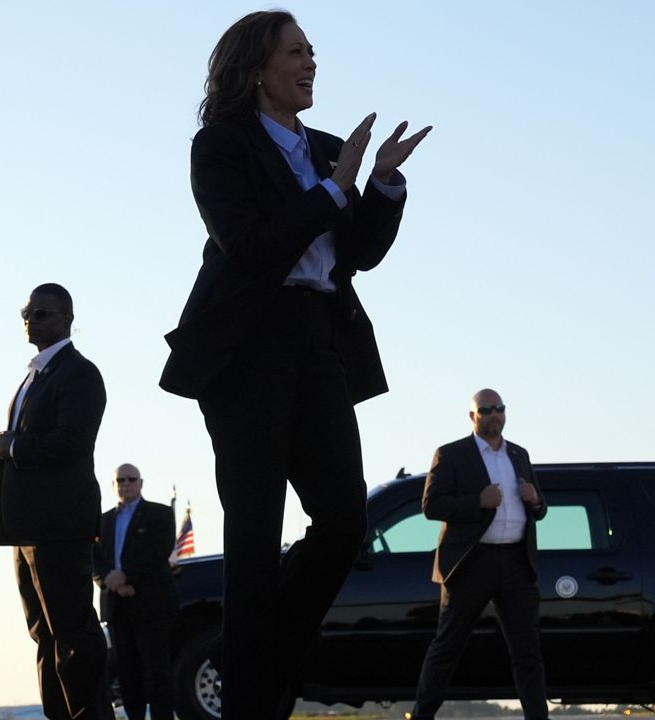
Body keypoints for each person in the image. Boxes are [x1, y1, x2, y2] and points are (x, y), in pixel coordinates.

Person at [157, 9, 431, 719]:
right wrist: (332, 189)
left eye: (314, 52)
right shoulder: (219, 146)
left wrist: (383, 186)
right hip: (247, 348)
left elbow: (358, 252)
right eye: (295, 53)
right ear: (257, 69)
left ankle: (259, 668)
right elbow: (249, 247)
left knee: (344, 523)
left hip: (319, 341)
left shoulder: (329, 149)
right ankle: (254, 701)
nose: (311, 64)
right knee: (252, 535)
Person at [0, 283, 112, 720]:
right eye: (26, 311)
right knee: (44, 634)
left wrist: (15, 447)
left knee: (74, 634)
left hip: (60, 526)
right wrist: (1, 449)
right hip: (26, 530)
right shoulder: (34, 375)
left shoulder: (79, 373)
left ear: (66, 319)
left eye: (40, 313)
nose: (30, 319)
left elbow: (72, 442)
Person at [410, 389, 550, 720]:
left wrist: (536, 500)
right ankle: (421, 716)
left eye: (499, 408)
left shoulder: (518, 454)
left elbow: (540, 509)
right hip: (471, 563)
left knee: (528, 653)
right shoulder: (451, 454)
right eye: (485, 409)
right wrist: (477, 501)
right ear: (472, 416)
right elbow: (431, 506)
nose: (494, 415)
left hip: (516, 563)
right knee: (447, 648)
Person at [93, 463, 179, 720]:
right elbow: (94, 559)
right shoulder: (103, 521)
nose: (126, 484)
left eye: (131, 479)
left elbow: (158, 551)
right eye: (120, 480)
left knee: (156, 672)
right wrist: (111, 582)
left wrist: (127, 576)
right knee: (127, 674)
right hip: (118, 608)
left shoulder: (160, 514)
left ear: (141, 483)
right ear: (113, 485)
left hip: (151, 606)